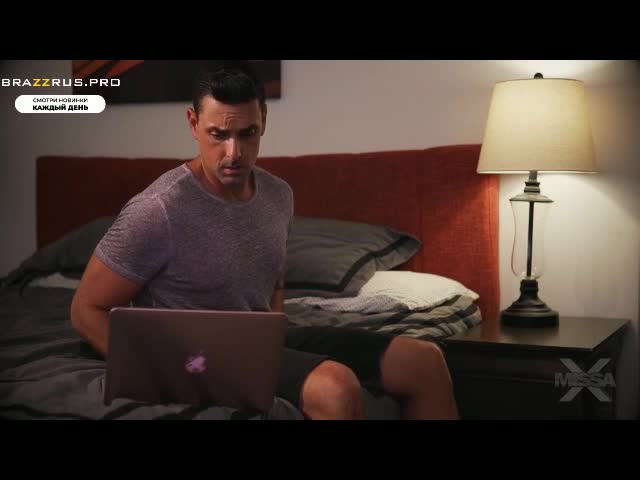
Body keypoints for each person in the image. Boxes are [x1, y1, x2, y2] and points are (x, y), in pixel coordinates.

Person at [70, 60, 459, 420]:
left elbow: (274, 279)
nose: (234, 153)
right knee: (336, 388)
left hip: (262, 342)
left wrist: (272, 338)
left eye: (247, 134)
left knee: (423, 360)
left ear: (263, 122)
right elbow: (86, 309)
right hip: (198, 355)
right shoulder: (158, 209)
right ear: (192, 123)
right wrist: (163, 371)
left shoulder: (278, 195)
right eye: (218, 135)